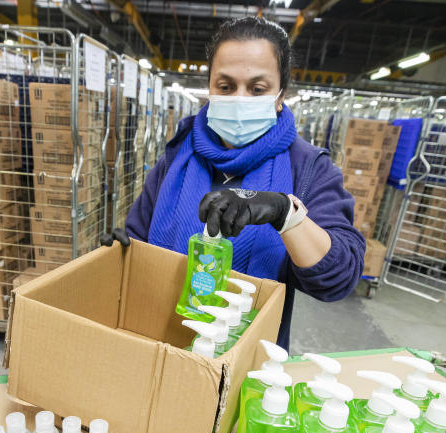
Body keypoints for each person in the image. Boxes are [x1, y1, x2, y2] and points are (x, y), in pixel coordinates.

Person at [103, 16, 364, 348]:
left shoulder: (307, 168)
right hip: (156, 343)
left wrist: (284, 214)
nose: (240, 99)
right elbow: (138, 234)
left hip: (243, 358)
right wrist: (120, 254)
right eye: (225, 86)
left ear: (281, 95)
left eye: (257, 89)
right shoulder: (179, 153)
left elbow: (338, 277)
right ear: (210, 88)